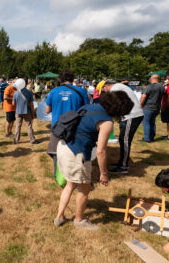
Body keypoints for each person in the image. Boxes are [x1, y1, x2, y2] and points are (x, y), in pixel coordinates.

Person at [54, 91, 134, 230]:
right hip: (76, 154)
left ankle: (59, 217)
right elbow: (101, 151)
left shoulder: (91, 106)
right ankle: (79, 220)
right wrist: (103, 173)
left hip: (63, 147)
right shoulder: (107, 122)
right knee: (85, 188)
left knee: (70, 184)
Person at [45, 70, 89, 169]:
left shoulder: (54, 91)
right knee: (75, 153)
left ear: (60, 79)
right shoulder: (81, 91)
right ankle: (73, 176)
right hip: (75, 127)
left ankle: (59, 175)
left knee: (56, 153)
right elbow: (87, 109)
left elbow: (47, 110)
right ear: (73, 79)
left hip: (57, 127)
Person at [102, 79, 144, 174]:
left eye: (104, 91)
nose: (105, 93)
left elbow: (114, 105)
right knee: (123, 139)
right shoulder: (119, 87)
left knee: (125, 140)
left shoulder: (115, 89)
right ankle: (122, 162)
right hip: (130, 115)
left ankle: (123, 166)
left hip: (132, 115)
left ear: (106, 86)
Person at [13, 79, 39, 145]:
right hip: (27, 111)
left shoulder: (15, 93)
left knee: (17, 126)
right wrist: (33, 114)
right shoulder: (29, 92)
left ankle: (16, 140)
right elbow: (31, 105)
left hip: (18, 112)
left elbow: (13, 104)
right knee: (29, 126)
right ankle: (32, 140)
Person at [140, 74, 164, 142]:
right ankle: (152, 137)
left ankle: (146, 138)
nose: (149, 79)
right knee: (152, 122)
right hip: (156, 107)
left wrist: (140, 105)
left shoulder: (149, 86)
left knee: (146, 123)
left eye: (150, 78)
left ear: (153, 78)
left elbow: (143, 96)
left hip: (148, 107)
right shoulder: (161, 87)